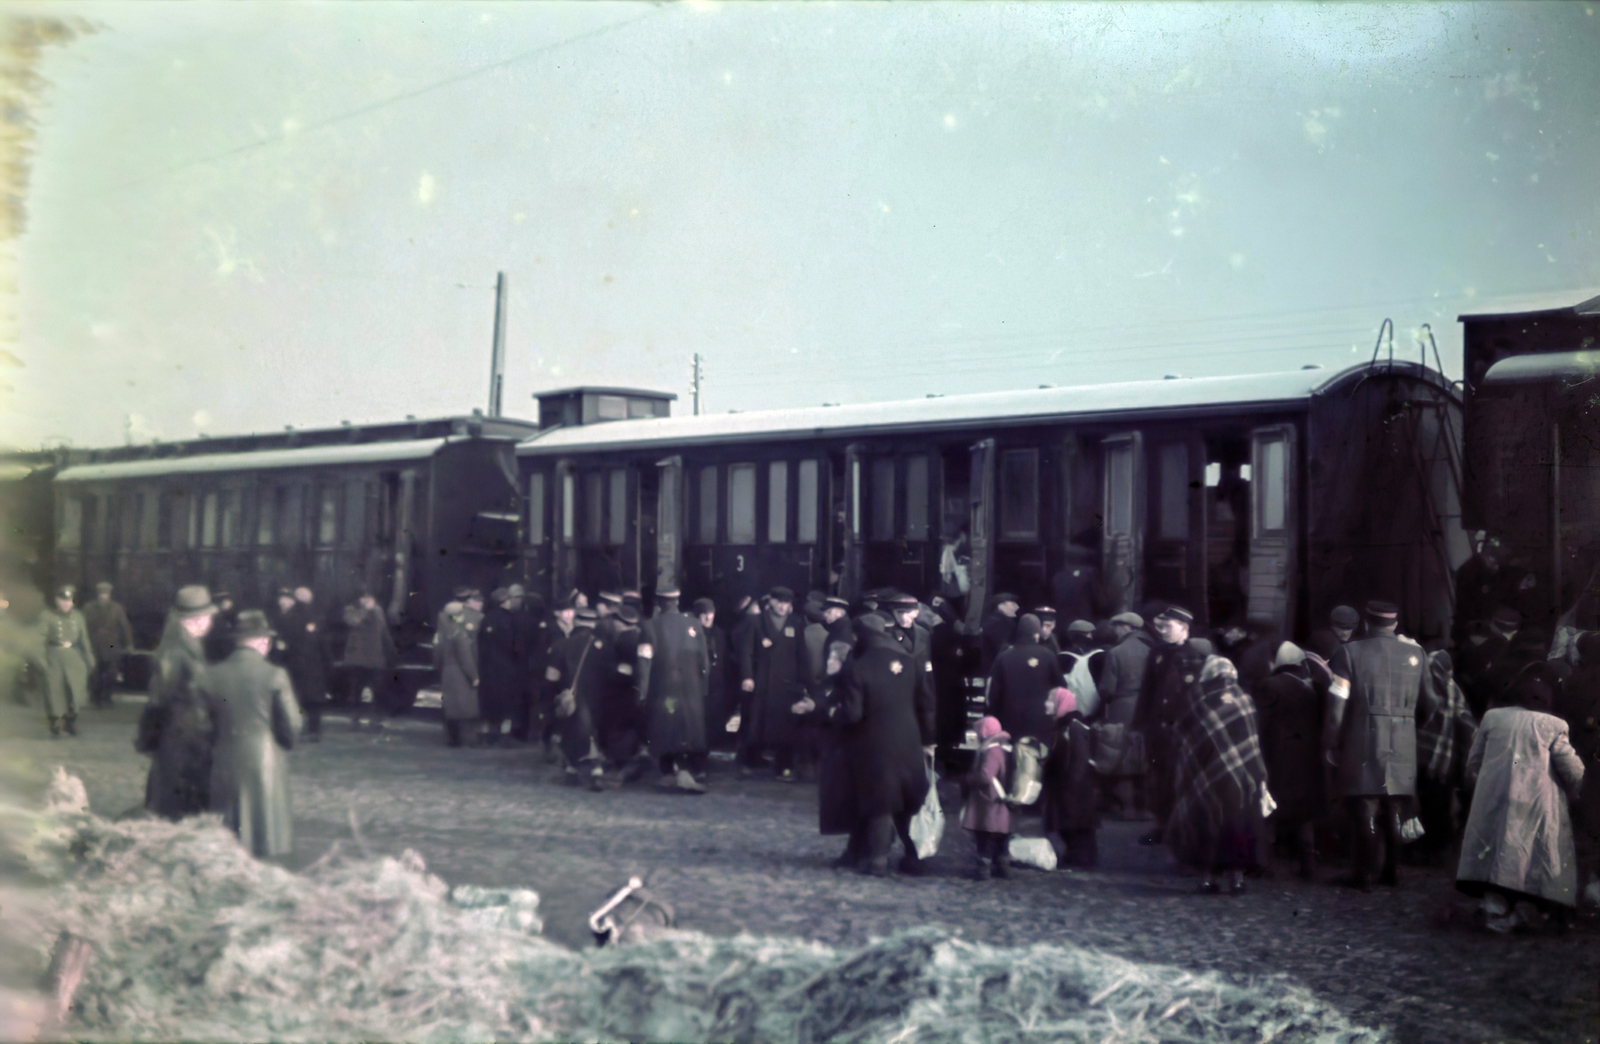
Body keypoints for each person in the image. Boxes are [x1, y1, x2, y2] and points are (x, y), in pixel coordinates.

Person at [1457, 663, 1585, 932]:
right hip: (1535, 799)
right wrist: (1583, 786)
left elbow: (1474, 760)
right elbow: (1570, 767)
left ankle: (1495, 909)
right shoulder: (1553, 724)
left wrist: (1480, 781)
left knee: (1493, 852)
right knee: (1530, 855)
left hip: (1492, 796)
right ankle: (1530, 911)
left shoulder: (1493, 717)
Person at [1325, 599, 1436, 891]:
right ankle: (1391, 872)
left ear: (1366, 623)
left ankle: (1362, 876)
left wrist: (1332, 740)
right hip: (1403, 738)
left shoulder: (1348, 653)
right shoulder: (1418, 654)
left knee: (1365, 805)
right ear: (1395, 624)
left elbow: (1337, 704)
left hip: (1362, 738)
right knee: (1394, 804)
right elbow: (1432, 702)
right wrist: (1411, 724)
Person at [825, 614, 936, 876]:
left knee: (880, 802)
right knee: (908, 801)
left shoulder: (858, 666)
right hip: (909, 741)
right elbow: (927, 704)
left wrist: (831, 713)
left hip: (874, 745)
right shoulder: (910, 662)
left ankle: (877, 860)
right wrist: (929, 740)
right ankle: (913, 858)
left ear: (859, 636)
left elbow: (853, 713)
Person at [202, 609, 303, 859]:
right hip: (264, 764)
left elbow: (201, 725)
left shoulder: (211, 675)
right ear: (262, 641)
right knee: (262, 838)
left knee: (225, 838)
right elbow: (291, 727)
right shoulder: (274, 675)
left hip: (221, 761)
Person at [1166, 655, 1271, 895]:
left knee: (1207, 825)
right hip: (1240, 777)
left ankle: (1207, 879)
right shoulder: (1245, 701)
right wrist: (1259, 775)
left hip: (1207, 778)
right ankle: (1237, 880)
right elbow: (1252, 743)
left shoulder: (1199, 700)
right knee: (1237, 826)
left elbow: (1183, 738)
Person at [1132, 606, 1212, 845]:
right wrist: (1139, 723)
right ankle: (1161, 823)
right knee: (1157, 778)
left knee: (1179, 778)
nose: (1164, 630)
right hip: (1158, 728)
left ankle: (1180, 828)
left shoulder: (1194, 655)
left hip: (1182, 729)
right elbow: (1147, 690)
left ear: (1184, 628)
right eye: (1163, 625)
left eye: (1169, 626)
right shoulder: (1157, 652)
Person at [136, 585, 217, 820]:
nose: (211, 620)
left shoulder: (189, 644)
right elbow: (158, 699)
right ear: (197, 620)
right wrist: (149, 740)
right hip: (180, 740)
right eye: (209, 615)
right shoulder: (175, 650)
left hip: (188, 738)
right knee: (174, 805)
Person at [1253, 641, 1325, 879]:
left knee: (1270, 809)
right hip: (1306, 759)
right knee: (1303, 814)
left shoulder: (1269, 685)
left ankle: (1264, 864)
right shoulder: (1310, 688)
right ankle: (1309, 865)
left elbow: (1262, 725)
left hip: (1278, 757)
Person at [1413, 646, 1478, 866]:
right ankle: (1436, 851)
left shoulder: (1418, 684)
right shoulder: (1454, 690)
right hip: (1443, 761)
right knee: (1438, 806)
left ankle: (1418, 848)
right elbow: (1466, 725)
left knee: (1418, 805)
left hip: (1416, 756)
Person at [737, 585, 806, 781]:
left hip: (786, 683)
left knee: (786, 726)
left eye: (787, 603)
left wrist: (804, 681)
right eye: (779, 602)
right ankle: (749, 760)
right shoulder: (757, 622)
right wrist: (747, 676)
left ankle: (784, 767)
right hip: (762, 681)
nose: (783, 607)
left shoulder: (797, 623)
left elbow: (802, 656)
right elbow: (746, 652)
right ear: (771, 602)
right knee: (756, 722)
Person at [645, 587, 710, 793]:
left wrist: (643, 690)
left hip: (664, 688)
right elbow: (704, 662)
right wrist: (702, 687)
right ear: (677, 602)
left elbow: (646, 662)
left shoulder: (652, 626)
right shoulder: (694, 624)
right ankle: (686, 770)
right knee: (688, 727)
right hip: (691, 689)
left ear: (659, 604)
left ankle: (667, 773)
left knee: (666, 726)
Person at [1095, 611, 1155, 819]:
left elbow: (1107, 690)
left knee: (1120, 759)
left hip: (1122, 710)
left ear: (1126, 628)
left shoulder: (1117, 652)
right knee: (1144, 758)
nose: (1115, 631)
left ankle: (1127, 808)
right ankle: (1146, 808)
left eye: (1117, 627)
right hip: (1147, 710)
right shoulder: (1152, 649)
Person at [985, 613, 1064, 746]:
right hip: (1041, 720)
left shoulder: (1004, 657)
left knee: (1013, 757)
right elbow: (1061, 688)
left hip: (1010, 719)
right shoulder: (1048, 655)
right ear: (1036, 634)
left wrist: (994, 715)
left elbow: (993, 692)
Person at [1042, 687, 1099, 869]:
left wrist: (1071, 785)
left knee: (1075, 827)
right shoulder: (1063, 725)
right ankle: (1077, 857)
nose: (1046, 703)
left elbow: (1079, 759)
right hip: (1068, 789)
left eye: (1050, 700)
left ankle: (1080, 859)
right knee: (1071, 826)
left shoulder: (1072, 727)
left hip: (1073, 791)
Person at [554, 606, 606, 788]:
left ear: (576, 621)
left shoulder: (562, 644)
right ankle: (595, 770)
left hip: (570, 698)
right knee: (592, 733)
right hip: (596, 698)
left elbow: (551, 676)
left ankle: (572, 769)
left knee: (570, 732)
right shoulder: (602, 645)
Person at [38, 584, 94, 737]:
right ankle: (55, 723)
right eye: (63, 600)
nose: (66, 603)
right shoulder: (47, 616)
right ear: (57, 600)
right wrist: (42, 659)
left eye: (69, 601)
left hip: (74, 657)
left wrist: (90, 658)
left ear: (73, 602)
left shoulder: (78, 617)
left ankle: (70, 721)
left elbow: (84, 639)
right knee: (54, 691)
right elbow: (40, 639)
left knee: (75, 692)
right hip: (54, 656)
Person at [963, 715, 1014, 880]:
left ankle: (983, 869)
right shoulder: (1003, 749)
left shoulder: (991, 751)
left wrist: (968, 779)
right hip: (1000, 805)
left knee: (985, 839)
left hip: (988, 804)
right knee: (1000, 840)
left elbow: (985, 776)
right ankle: (1002, 866)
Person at [276, 588, 328, 739]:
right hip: (309, 663)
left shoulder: (292, 617)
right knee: (311, 698)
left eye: (286, 599)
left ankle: (306, 728)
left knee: (301, 697)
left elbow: (288, 641)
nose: (282, 602)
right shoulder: (306, 614)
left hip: (298, 663)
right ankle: (313, 729)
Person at [342, 591, 397, 732]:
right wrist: (366, 609)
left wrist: (391, 652)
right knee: (356, 691)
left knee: (378, 691)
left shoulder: (378, 611)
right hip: (357, 659)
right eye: (365, 598)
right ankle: (355, 720)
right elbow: (354, 621)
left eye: (370, 598)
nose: (368, 601)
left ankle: (376, 720)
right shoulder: (351, 610)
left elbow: (383, 632)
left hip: (375, 658)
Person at [476, 588, 523, 745]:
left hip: (488, 666)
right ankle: (504, 735)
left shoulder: (486, 618)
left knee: (488, 701)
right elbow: (515, 645)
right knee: (506, 703)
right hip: (506, 666)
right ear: (505, 601)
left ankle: (486, 734)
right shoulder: (511, 619)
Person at [435, 597, 481, 747]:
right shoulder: (459, 633)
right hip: (460, 674)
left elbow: (436, 655)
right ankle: (468, 741)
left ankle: (451, 739)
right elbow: (465, 657)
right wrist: (473, 676)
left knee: (450, 707)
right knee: (465, 708)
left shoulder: (441, 632)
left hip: (447, 672)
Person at [83, 581, 134, 708]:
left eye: (105, 593)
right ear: (97, 594)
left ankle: (107, 696)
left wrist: (129, 643)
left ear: (109, 594)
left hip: (111, 644)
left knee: (111, 672)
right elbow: (82, 626)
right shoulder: (88, 608)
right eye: (101, 593)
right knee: (95, 671)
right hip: (94, 643)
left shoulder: (117, 608)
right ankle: (96, 697)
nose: (103, 596)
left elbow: (124, 626)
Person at [511, 586, 550, 744]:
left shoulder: (518, 619)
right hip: (538, 666)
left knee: (522, 700)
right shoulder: (544, 622)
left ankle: (521, 731)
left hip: (522, 665)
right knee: (536, 700)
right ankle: (535, 731)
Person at [1049, 546, 1111, 628]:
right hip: (1084, 625)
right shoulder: (1089, 574)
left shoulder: (1058, 577)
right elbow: (1100, 601)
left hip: (1063, 625)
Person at [979, 593, 1021, 675]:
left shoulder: (995, 621)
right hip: (994, 672)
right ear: (1001, 606)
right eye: (1012, 604)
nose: (1017, 607)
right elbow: (1002, 649)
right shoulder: (998, 623)